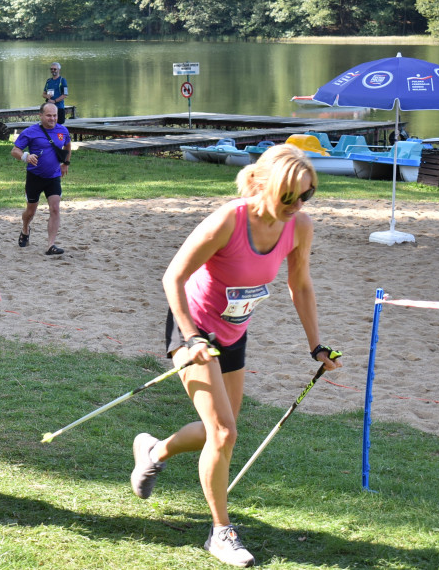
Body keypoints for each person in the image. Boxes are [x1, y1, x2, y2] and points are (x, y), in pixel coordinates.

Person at [128, 144, 342, 568]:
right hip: (193, 329)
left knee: (218, 433)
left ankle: (154, 452)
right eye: (288, 196)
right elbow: (174, 276)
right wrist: (190, 337)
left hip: (233, 333)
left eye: (307, 196)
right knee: (224, 433)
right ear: (262, 185)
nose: (297, 205)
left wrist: (316, 344)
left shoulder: (298, 226)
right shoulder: (230, 220)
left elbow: (299, 284)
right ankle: (220, 533)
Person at [11, 102, 71, 255]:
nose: (52, 119)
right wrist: (26, 156)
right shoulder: (30, 132)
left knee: (55, 208)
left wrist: (66, 163)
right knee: (30, 212)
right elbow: (15, 150)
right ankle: (25, 228)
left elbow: (67, 145)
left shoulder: (62, 131)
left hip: (53, 177)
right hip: (35, 177)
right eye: (49, 115)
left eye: (55, 115)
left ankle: (51, 245)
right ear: (41, 115)